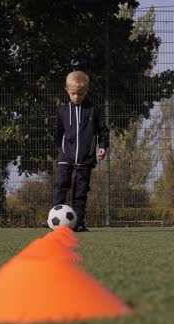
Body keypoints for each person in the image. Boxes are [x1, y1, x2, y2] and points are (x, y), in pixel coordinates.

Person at [52, 70, 109, 232]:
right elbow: (58, 132)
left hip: (85, 157)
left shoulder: (93, 111)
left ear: (86, 92)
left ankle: (78, 222)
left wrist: (102, 146)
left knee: (81, 190)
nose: (77, 97)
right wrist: (61, 148)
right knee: (61, 185)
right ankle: (55, 218)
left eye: (81, 94)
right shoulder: (63, 111)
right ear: (67, 91)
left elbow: (103, 131)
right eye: (73, 94)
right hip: (66, 156)